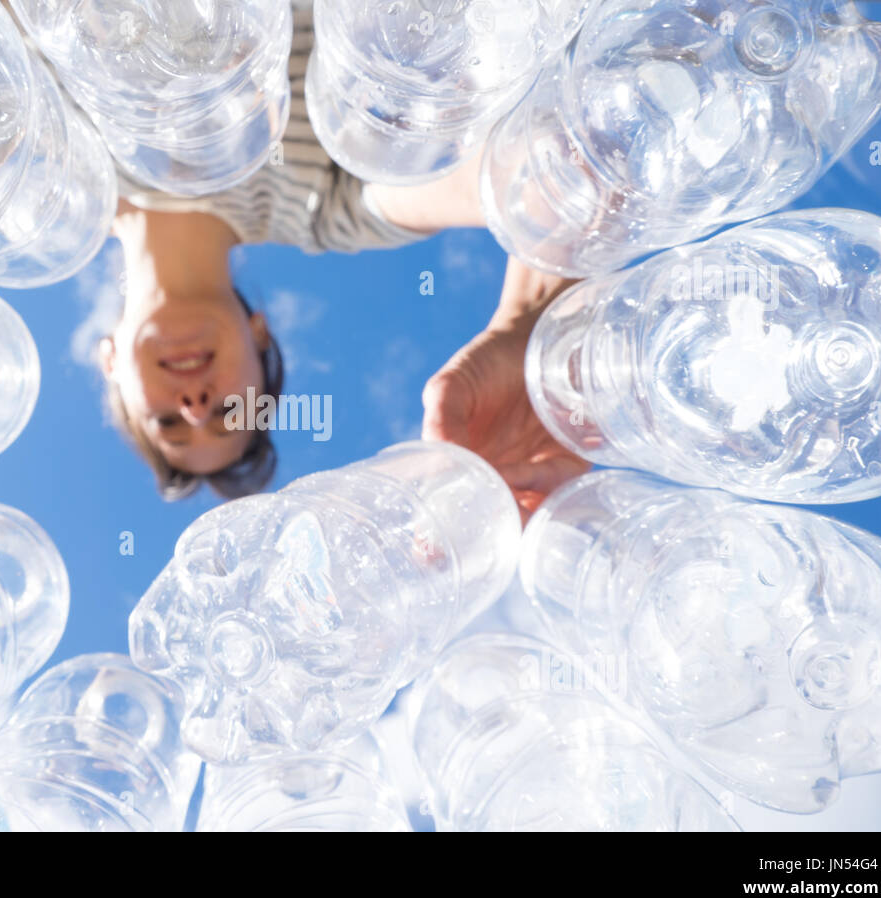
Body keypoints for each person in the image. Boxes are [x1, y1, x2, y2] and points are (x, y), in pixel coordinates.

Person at [97, 4, 588, 517]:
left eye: (166, 423)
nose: (194, 408)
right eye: (230, 411)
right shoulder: (326, 210)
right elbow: (540, 174)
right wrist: (530, 333)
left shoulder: (47, 179)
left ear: (109, 364)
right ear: (259, 338)